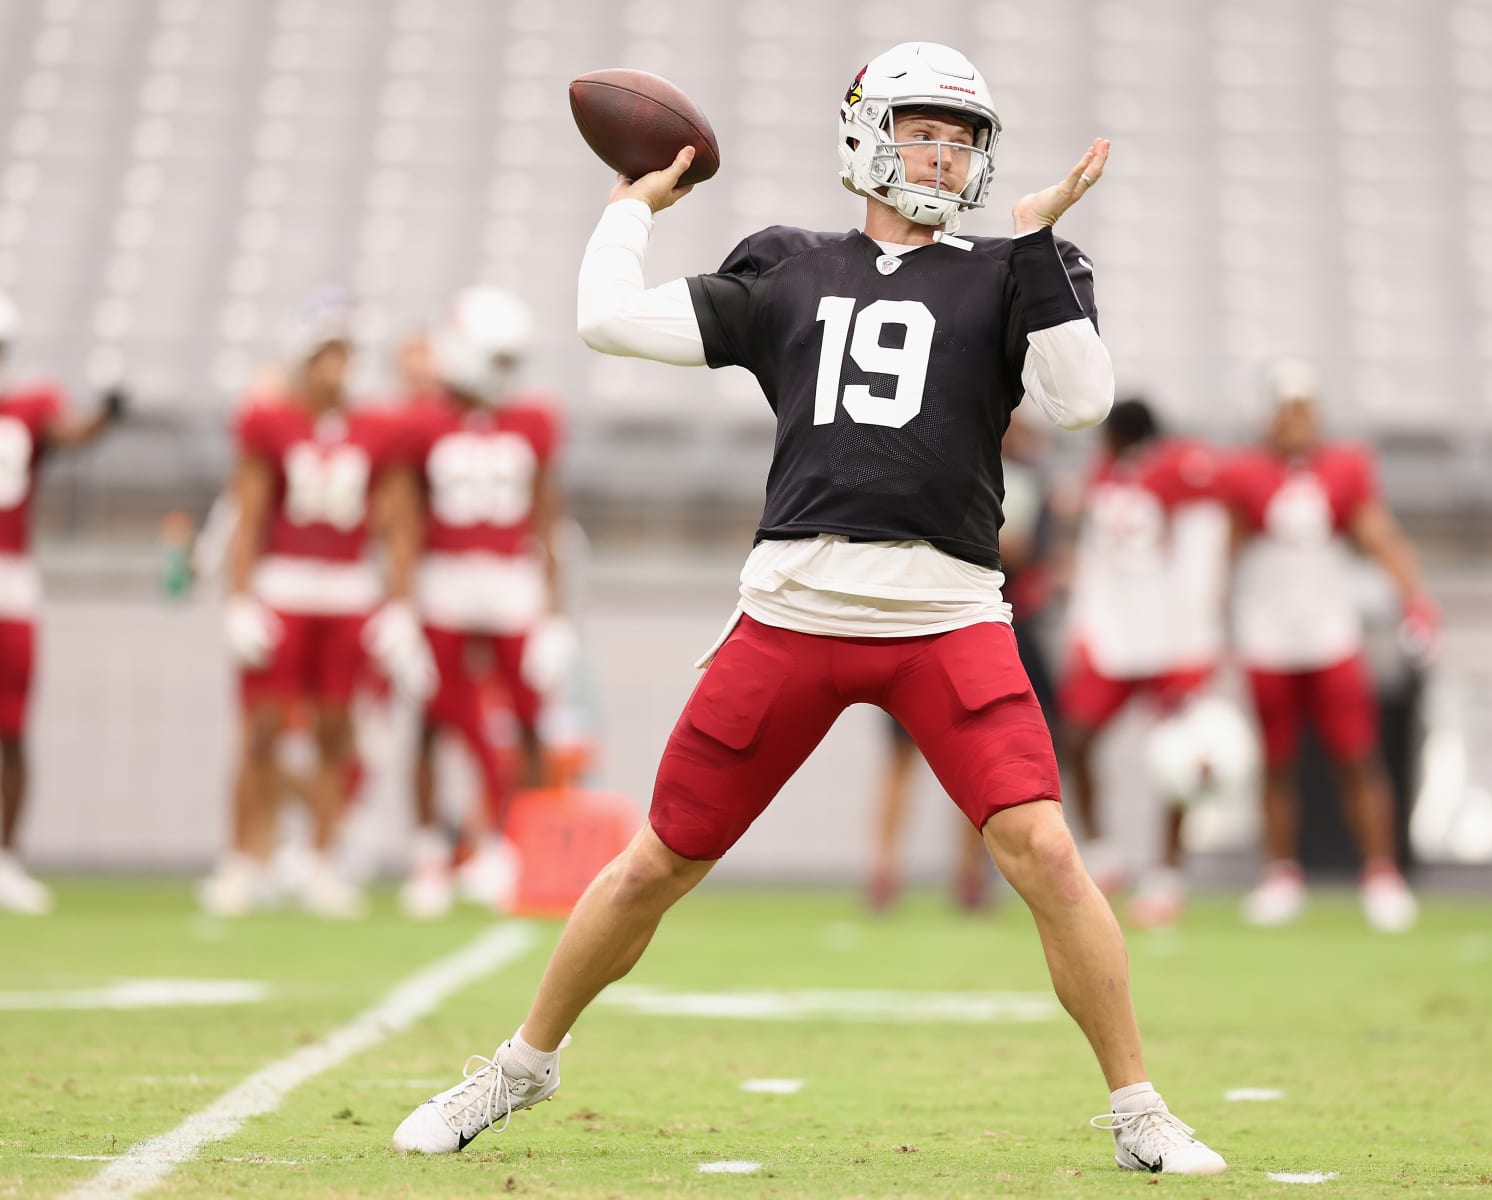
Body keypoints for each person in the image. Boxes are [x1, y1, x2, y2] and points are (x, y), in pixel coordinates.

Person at [392, 42, 1226, 1176]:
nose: (948, 153)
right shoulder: (789, 265)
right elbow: (608, 322)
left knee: (1043, 849)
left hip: (946, 613)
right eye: (927, 129)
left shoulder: (1015, 265)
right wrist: (629, 208)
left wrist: (1031, 237)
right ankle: (519, 1067)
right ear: (869, 137)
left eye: (963, 135)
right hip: (793, 608)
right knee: (656, 861)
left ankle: (1138, 1109)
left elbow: (1082, 404)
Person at [200, 296, 425, 918]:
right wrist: (239, 598)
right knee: (262, 732)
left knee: (335, 730)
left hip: (347, 589)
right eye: (324, 354)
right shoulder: (271, 421)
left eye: (343, 354)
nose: (335, 367)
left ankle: (323, 859)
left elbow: (399, 524)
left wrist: (401, 605)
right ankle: (244, 859)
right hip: (284, 587)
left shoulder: (378, 428)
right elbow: (249, 515)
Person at [1221, 359, 1431, 933]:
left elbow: (1377, 533)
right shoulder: (1244, 473)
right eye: (1285, 409)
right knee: (1277, 761)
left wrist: (1414, 595)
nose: (1295, 421)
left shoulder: (1344, 468)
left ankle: (1382, 874)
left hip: (1329, 633)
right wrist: (1212, 628)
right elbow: (1226, 555)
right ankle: (1281, 874)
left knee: (1356, 756)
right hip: (1266, 635)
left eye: (1303, 409)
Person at [396, 286, 576, 919]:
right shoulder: (421, 422)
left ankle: (506, 848)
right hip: (443, 583)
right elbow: (402, 521)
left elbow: (549, 521)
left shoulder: (532, 421)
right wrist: (398, 608)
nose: (505, 376)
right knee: (430, 721)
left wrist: (556, 615)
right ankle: (428, 855)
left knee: (527, 722)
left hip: (511, 584)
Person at [866, 420, 1057, 914]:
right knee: (902, 756)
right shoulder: (948, 466)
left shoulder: (1022, 478)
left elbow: (1016, 550)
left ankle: (969, 875)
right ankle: (884, 873)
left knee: (976, 758)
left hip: (983, 624)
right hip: (923, 620)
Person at [1056, 398, 1230, 926]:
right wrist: (1083, 627)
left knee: (1176, 760)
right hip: (1115, 638)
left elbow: (1205, 551)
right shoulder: (1110, 475)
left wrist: (1199, 640)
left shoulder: (1182, 471)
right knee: (1077, 738)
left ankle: (1166, 878)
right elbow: (1096, 558)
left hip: (1169, 636)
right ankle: (1105, 857)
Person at [0, 292, 128, 915]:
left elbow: (70, 433)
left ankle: (5, 858)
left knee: (12, 728)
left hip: (10, 582)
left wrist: (107, 412)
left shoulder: (28, 407)